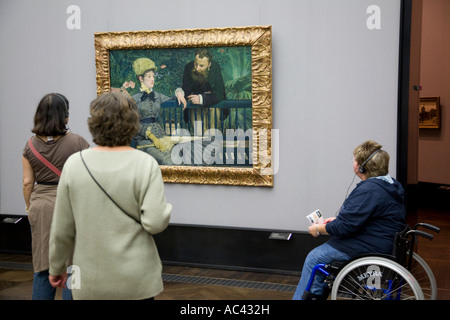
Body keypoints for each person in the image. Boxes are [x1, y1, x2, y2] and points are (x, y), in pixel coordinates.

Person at [48, 92, 172, 300]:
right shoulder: (145, 163)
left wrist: (56, 267)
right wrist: (166, 209)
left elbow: (62, 228)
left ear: (94, 123)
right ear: (134, 123)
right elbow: (155, 223)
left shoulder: (74, 163)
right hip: (136, 278)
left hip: (89, 278)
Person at [292, 140, 406, 300]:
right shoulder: (391, 185)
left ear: (362, 166)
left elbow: (345, 227)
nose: (352, 162)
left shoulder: (369, 190)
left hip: (371, 247)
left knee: (315, 257)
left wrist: (318, 229)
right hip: (384, 242)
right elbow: (364, 218)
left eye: (354, 159)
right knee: (322, 255)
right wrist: (336, 221)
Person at [22, 93, 89, 300]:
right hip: (71, 205)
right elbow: (88, 178)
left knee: (43, 265)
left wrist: (29, 206)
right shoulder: (78, 142)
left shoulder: (30, 145)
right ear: (65, 117)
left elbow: (27, 182)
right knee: (72, 266)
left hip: (41, 206)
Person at [127, 57, 185, 165]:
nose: (152, 79)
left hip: (161, 137)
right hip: (145, 142)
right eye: (149, 77)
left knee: (180, 156)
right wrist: (152, 137)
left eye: (153, 76)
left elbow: (173, 98)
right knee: (168, 161)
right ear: (141, 78)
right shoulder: (134, 99)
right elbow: (132, 124)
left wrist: (179, 93)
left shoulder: (157, 95)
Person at [181, 48, 227, 133]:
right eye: (196, 64)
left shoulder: (215, 67)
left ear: (209, 64)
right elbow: (186, 91)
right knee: (199, 133)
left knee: (213, 132)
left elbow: (219, 93)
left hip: (213, 106)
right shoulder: (188, 67)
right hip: (194, 106)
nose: (197, 68)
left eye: (201, 66)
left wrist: (201, 98)